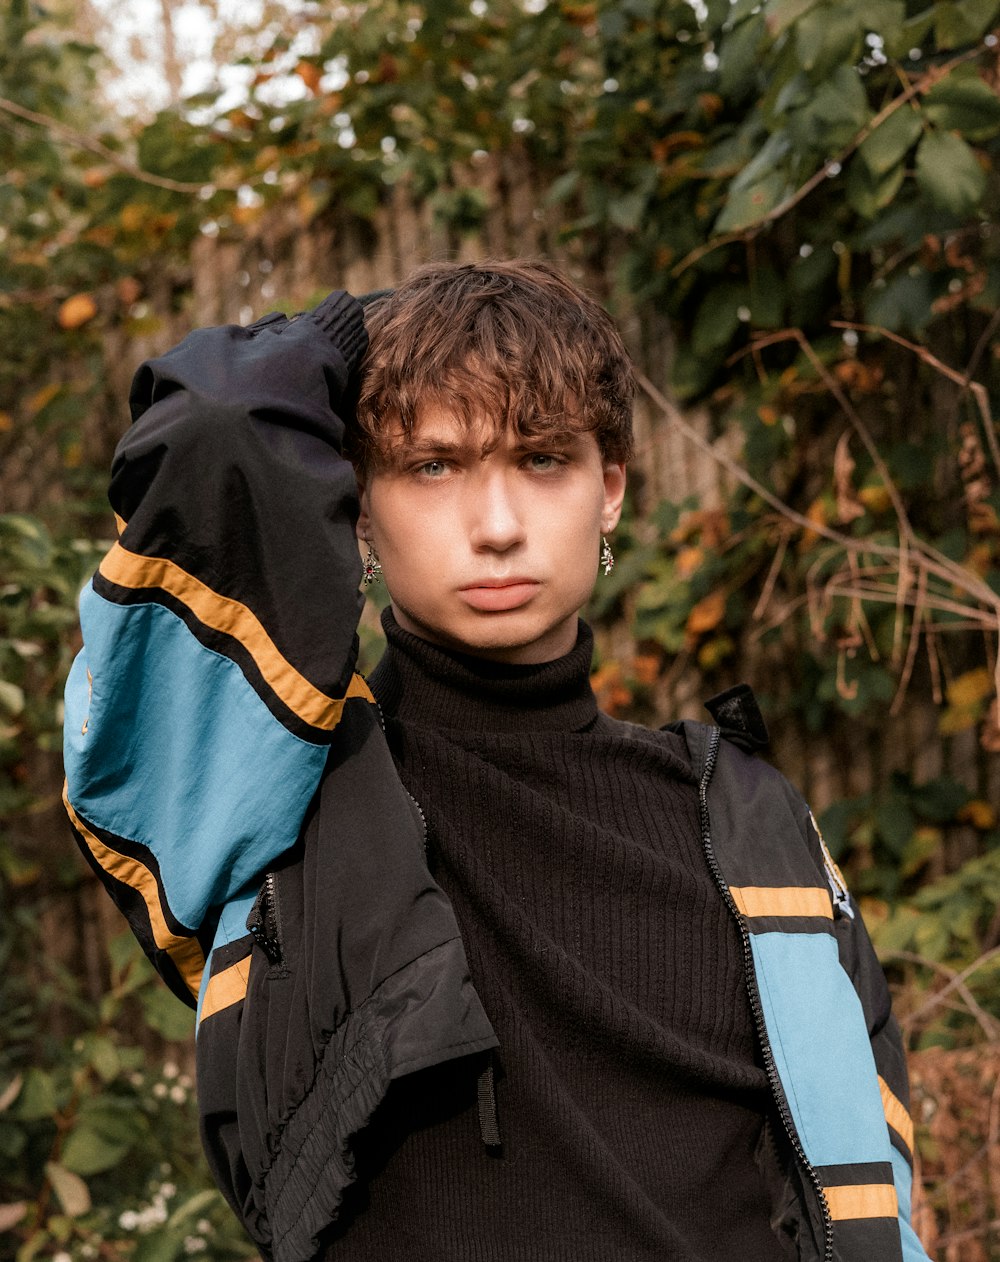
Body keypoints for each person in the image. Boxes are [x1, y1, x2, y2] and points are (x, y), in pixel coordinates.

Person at [63, 260, 930, 1262]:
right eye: (432, 465)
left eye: (544, 458)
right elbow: (213, 423)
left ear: (609, 488)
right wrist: (366, 327)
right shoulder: (282, 795)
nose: (498, 525)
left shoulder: (742, 814)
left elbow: (870, 1184)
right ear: (359, 507)